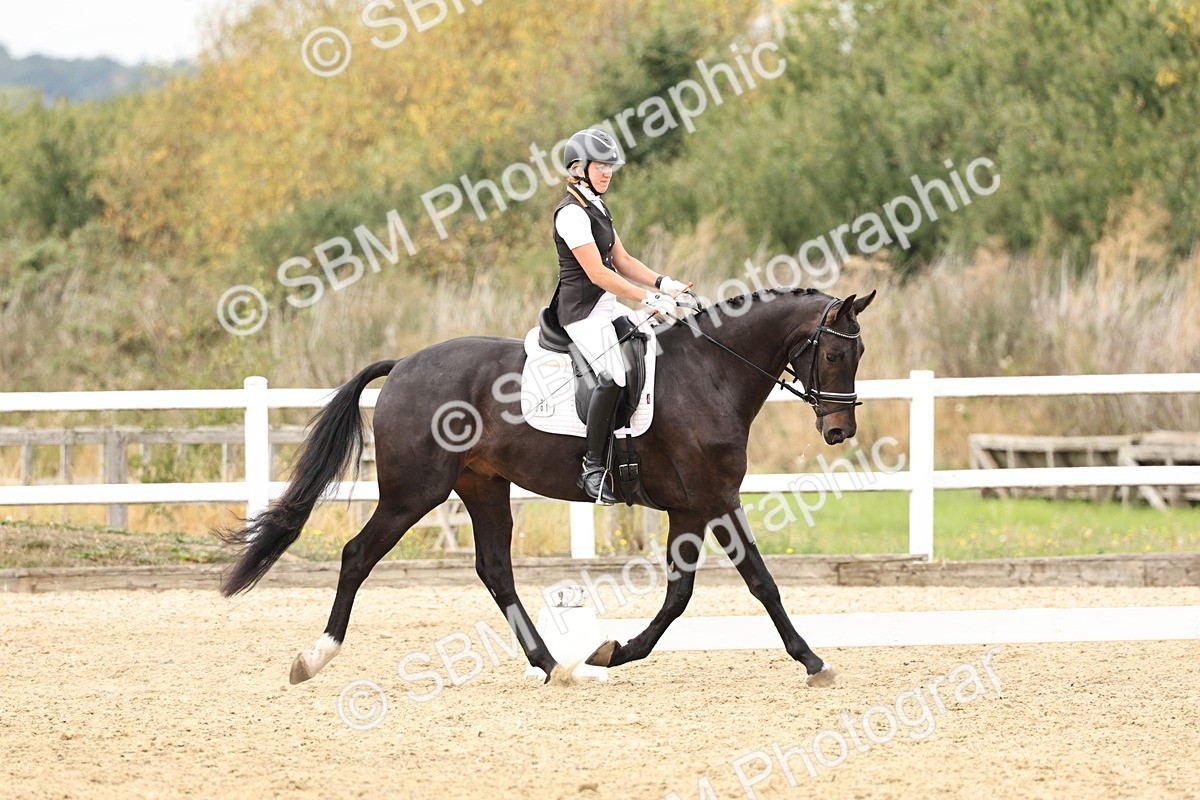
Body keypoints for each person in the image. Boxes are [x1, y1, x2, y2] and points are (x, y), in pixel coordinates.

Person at [548, 128, 696, 504]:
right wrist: (649, 299)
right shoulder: (571, 215)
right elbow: (598, 274)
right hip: (581, 313)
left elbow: (624, 261)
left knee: (651, 349)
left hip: (606, 307)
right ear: (578, 168)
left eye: (611, 166)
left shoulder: (597, 206)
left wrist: (667, 284)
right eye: (601, 166)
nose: (608, 173)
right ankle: (592, 467)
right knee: (612, 375)